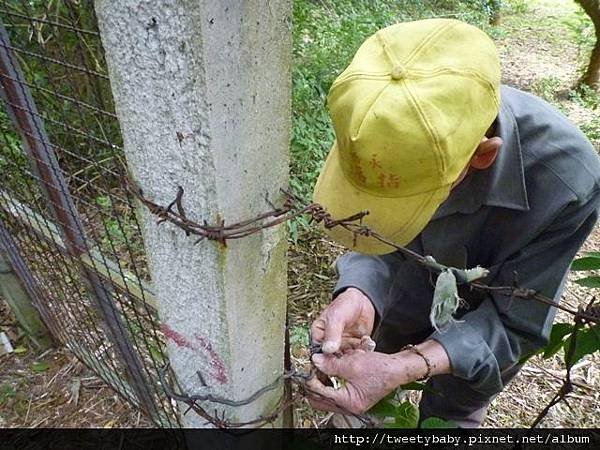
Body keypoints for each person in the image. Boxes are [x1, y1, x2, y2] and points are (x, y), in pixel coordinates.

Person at [306, 18, 600, 428]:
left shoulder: (567, 183)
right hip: (408, 279)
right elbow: (377, 234)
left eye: (414, 198)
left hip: (490, 311)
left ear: (482, 155)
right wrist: (360, 292)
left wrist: (409, 366)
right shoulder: (379, 118)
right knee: (360, 393)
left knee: (453, 412)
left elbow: (516, 321)